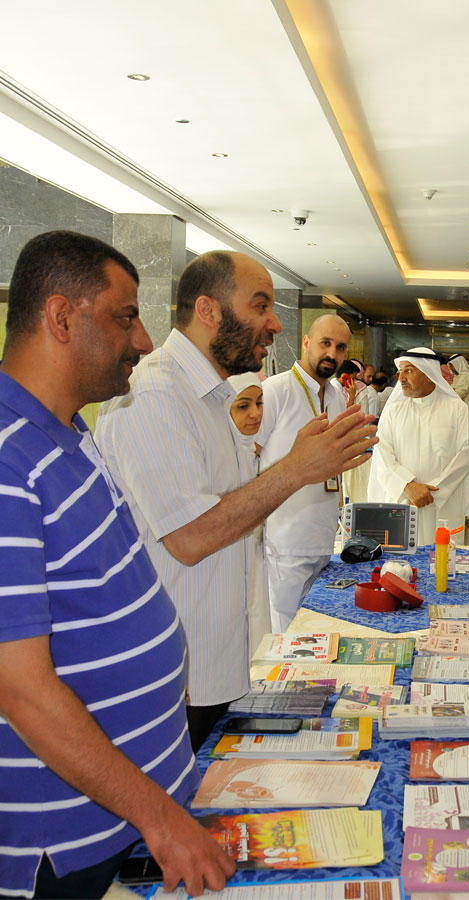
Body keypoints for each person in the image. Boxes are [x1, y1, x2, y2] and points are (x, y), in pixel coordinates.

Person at [0, 231, 234, 897]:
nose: (143, 341)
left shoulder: (69, 430)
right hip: (68, 840)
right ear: (61, 317)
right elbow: (20, 688)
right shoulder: (7, 460)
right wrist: (159, 818)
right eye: (126, 317)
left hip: (130, 809)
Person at [95, 250, 375, 751]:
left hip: (218, 663)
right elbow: (191, 536)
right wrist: (296, 468)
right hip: (176, 678)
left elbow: (233, 508)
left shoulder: (213, 397)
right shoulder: (156, 394)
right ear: (208, 310)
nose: (274, 324)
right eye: (260, 306)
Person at [257, 314, 351, 631]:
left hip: (323, 540)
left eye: (340, 347)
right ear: (306, 342)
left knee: (314, 635)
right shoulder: (275, 391)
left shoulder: (336, 396)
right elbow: (248, 458)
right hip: (284, 542)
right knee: (284, 636)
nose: (332, 354)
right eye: (325, 343)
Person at [367, 348, 469, 545]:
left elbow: (466, 455)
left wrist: (432, 493)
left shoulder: (456, 409)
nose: (401, 378)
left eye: (409, 371)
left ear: (429, 374)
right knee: (401, 561)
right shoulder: (393, 411)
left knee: (442, 560)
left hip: (443, 506)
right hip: (403, 502)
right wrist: (408, 486)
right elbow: (382, 455)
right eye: (400, 372)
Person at [226, 373, 271, 663]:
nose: (255, 413)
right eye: (243, 406)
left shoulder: (256, 451)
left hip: (256, 558)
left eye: (259, 403)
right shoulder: (219, 457)